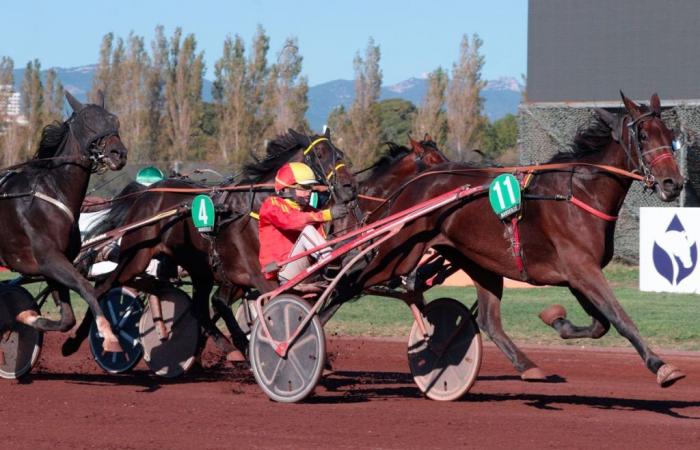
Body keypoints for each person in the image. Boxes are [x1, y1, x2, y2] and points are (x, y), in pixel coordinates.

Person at [258, 162, 347, 283]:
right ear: (286, 189)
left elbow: (322, 234)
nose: (309, 191)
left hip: (304, 265)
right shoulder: (271, 204)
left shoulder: (308, 210)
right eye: (304, 187)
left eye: (310, 187)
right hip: (282, 269)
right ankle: (330, 262)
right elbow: (293, 221)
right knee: (308, 230)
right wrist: (328, 214)